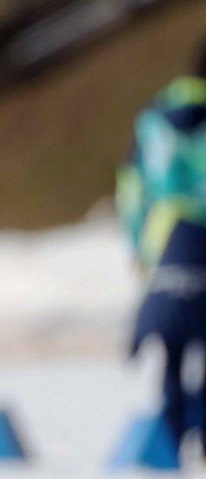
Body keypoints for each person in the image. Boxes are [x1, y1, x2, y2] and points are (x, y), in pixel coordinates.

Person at [117, 40, 206, 457]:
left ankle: (171, 434)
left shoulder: (152, 118)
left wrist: (138, 245)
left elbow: (132, 189)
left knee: (171, 345)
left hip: (164, 241)